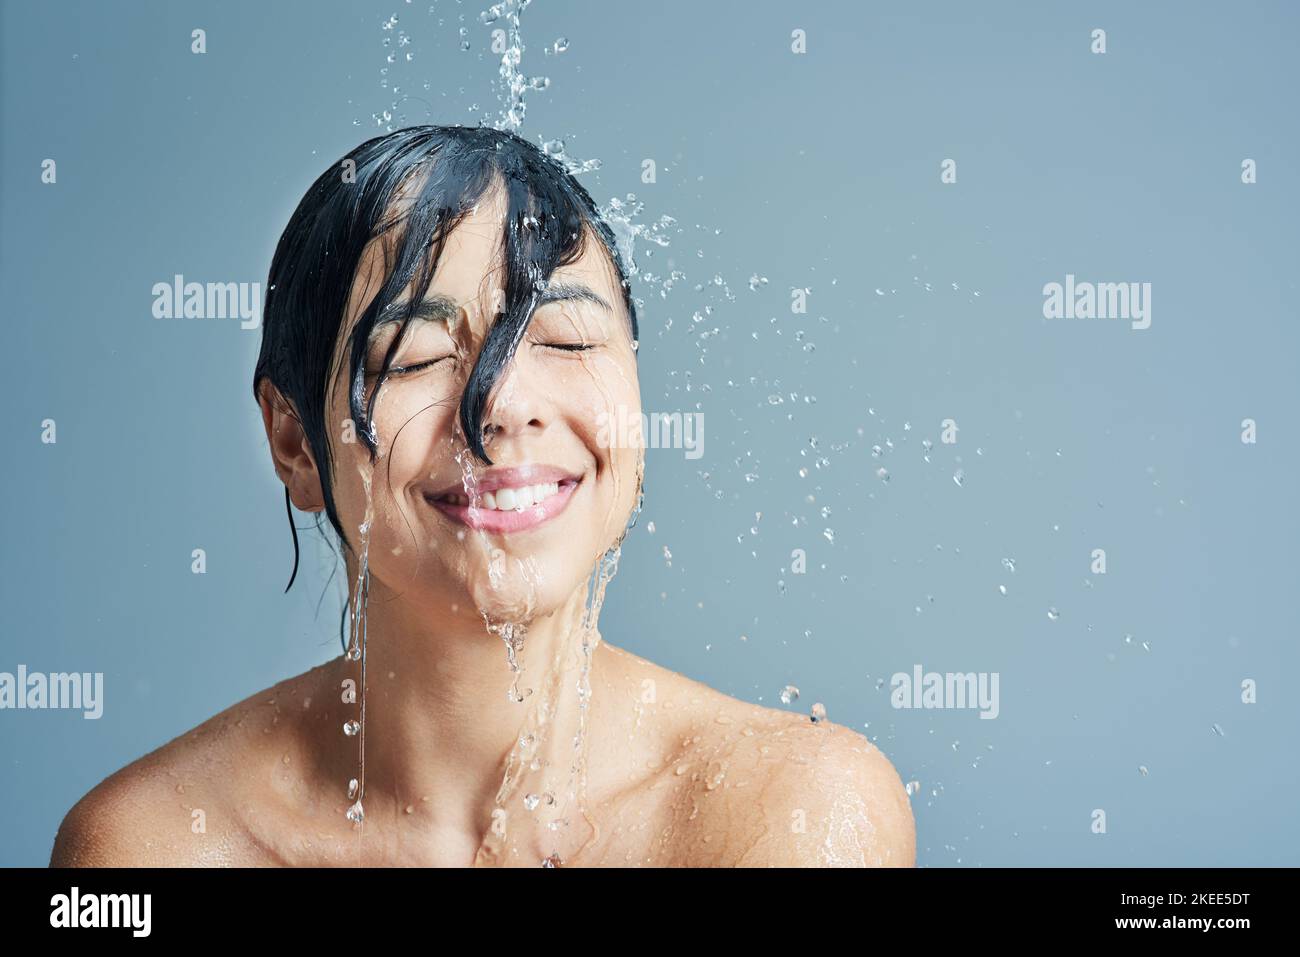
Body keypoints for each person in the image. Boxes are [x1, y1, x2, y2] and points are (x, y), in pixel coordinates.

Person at [49, 126, 914, 867]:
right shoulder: (150, 847)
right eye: (416, 356)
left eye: (568, 338)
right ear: (292, 442)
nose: (503, 404)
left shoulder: (786, 812)